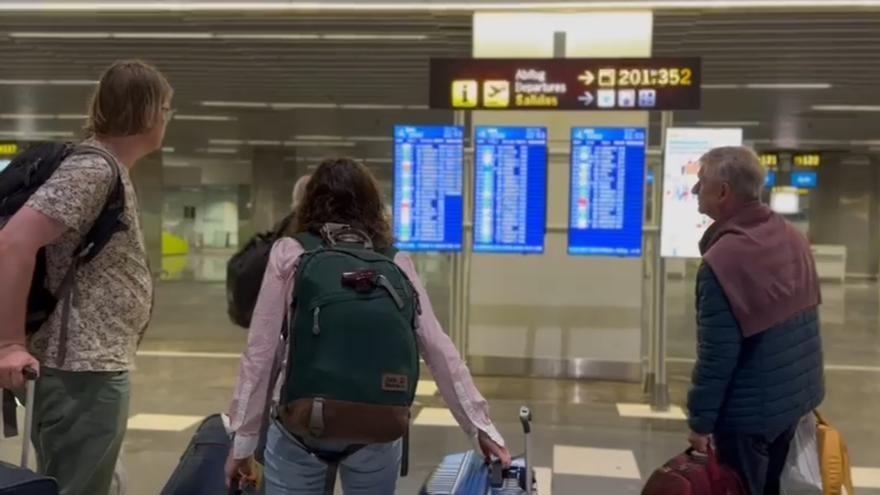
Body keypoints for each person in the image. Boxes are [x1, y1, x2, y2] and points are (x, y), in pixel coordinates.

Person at [225, 157, 510, 494]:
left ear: (310, 202)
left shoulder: (291, 252)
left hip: (301, 427)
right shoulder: (395, 261)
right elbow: (437, 347)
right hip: (378, 428)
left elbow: (262, 353)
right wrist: (481, 428)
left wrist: (242, 445)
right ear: (374, 205)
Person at [0, 60, 172, 495]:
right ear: (148, 111)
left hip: (92, 365)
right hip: (81, 369)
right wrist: (9, 344)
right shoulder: (94, 169)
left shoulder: (106, 168)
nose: (168, 119)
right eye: (167, 108)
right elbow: (13, 242)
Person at [686, 146, 824, 495]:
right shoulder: (791, 236)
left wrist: (700, 423)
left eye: (700, 182)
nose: (693, 191)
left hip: (748, 417)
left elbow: (717, 356)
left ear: (723, 191)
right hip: (793, 406)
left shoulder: (724, 260)